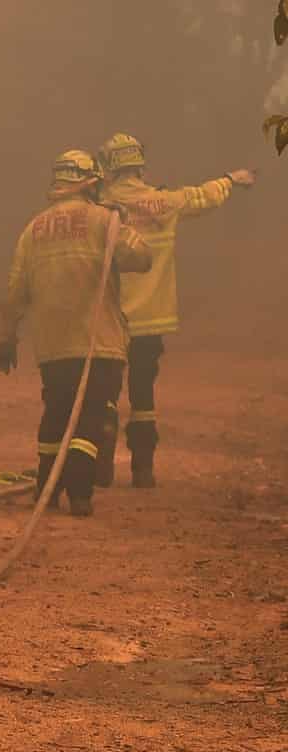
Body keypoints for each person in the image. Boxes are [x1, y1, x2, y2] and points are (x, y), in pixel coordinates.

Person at [0, 150, 152, 517]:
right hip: (99, 342)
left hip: (52, 345)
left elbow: (15, 291)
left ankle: (47, 491)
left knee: (57, 413)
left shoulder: (33, 229)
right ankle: (80, 493)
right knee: (90, 417)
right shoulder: (104, 221)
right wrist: (122, 221)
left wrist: (6, 339)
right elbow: (142, 259)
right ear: (92, 183)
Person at [95, 133, 254, 488]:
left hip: (109, 320)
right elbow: (202, 196)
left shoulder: (98, 207)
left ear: (108, 168)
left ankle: (100, 465)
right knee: (142, 395)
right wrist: (232, 179)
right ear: (139, 165)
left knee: (104, 391)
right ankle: (142, 469)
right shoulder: (165, 202)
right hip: (151, 320)